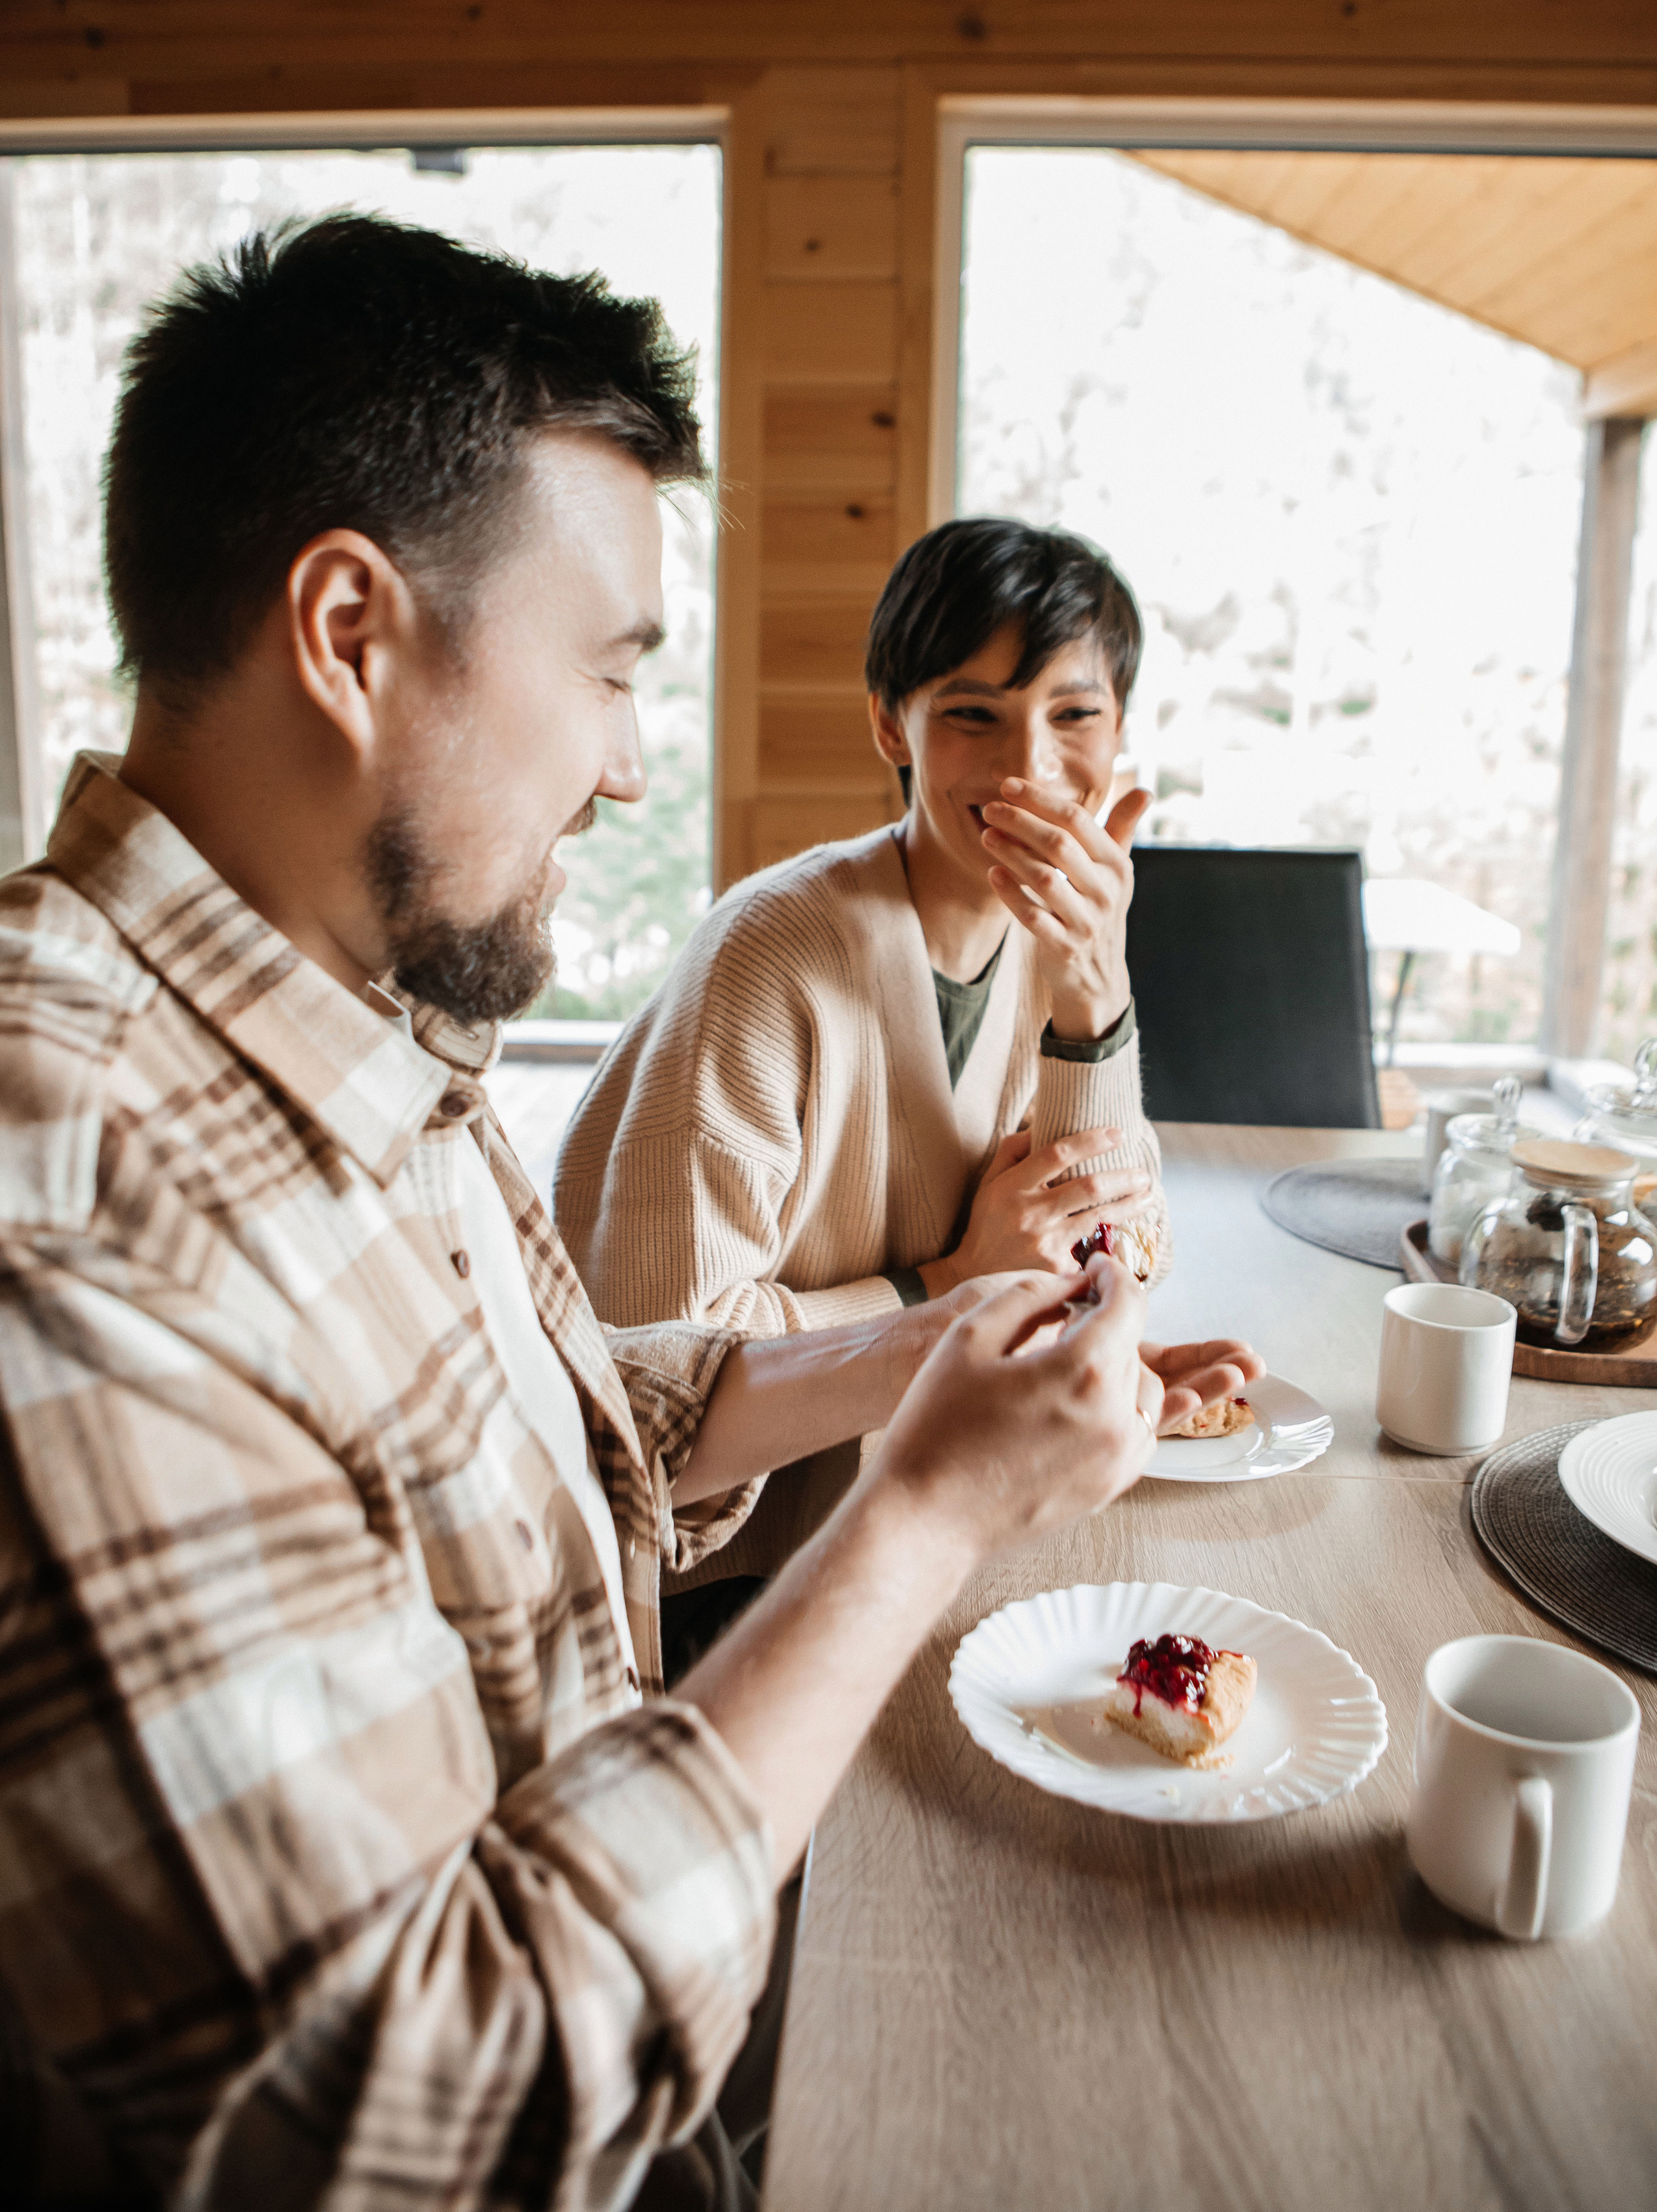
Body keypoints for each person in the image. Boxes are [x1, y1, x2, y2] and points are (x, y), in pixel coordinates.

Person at [0, 217, 1247, 2212]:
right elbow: (434, 2122)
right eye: (605, 673)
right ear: (349, 633)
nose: (631, 765)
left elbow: (586, 1420)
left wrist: (928, 1352)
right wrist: (926, 1510)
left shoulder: (359, 1014)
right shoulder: (66, 1219)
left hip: (640, 1911)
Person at [557, 519, 1256, 1590]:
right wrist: (946, 1286)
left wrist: (1094, 1000)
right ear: (893, 726)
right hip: (715, 1579)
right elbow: (654, 1368)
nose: (1031, 766)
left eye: (1075, 715)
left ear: (1120, 734)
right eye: (974, 716)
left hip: (936, 1507)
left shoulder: (1061, 949)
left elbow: (1116, 1244)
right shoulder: (773, 952)